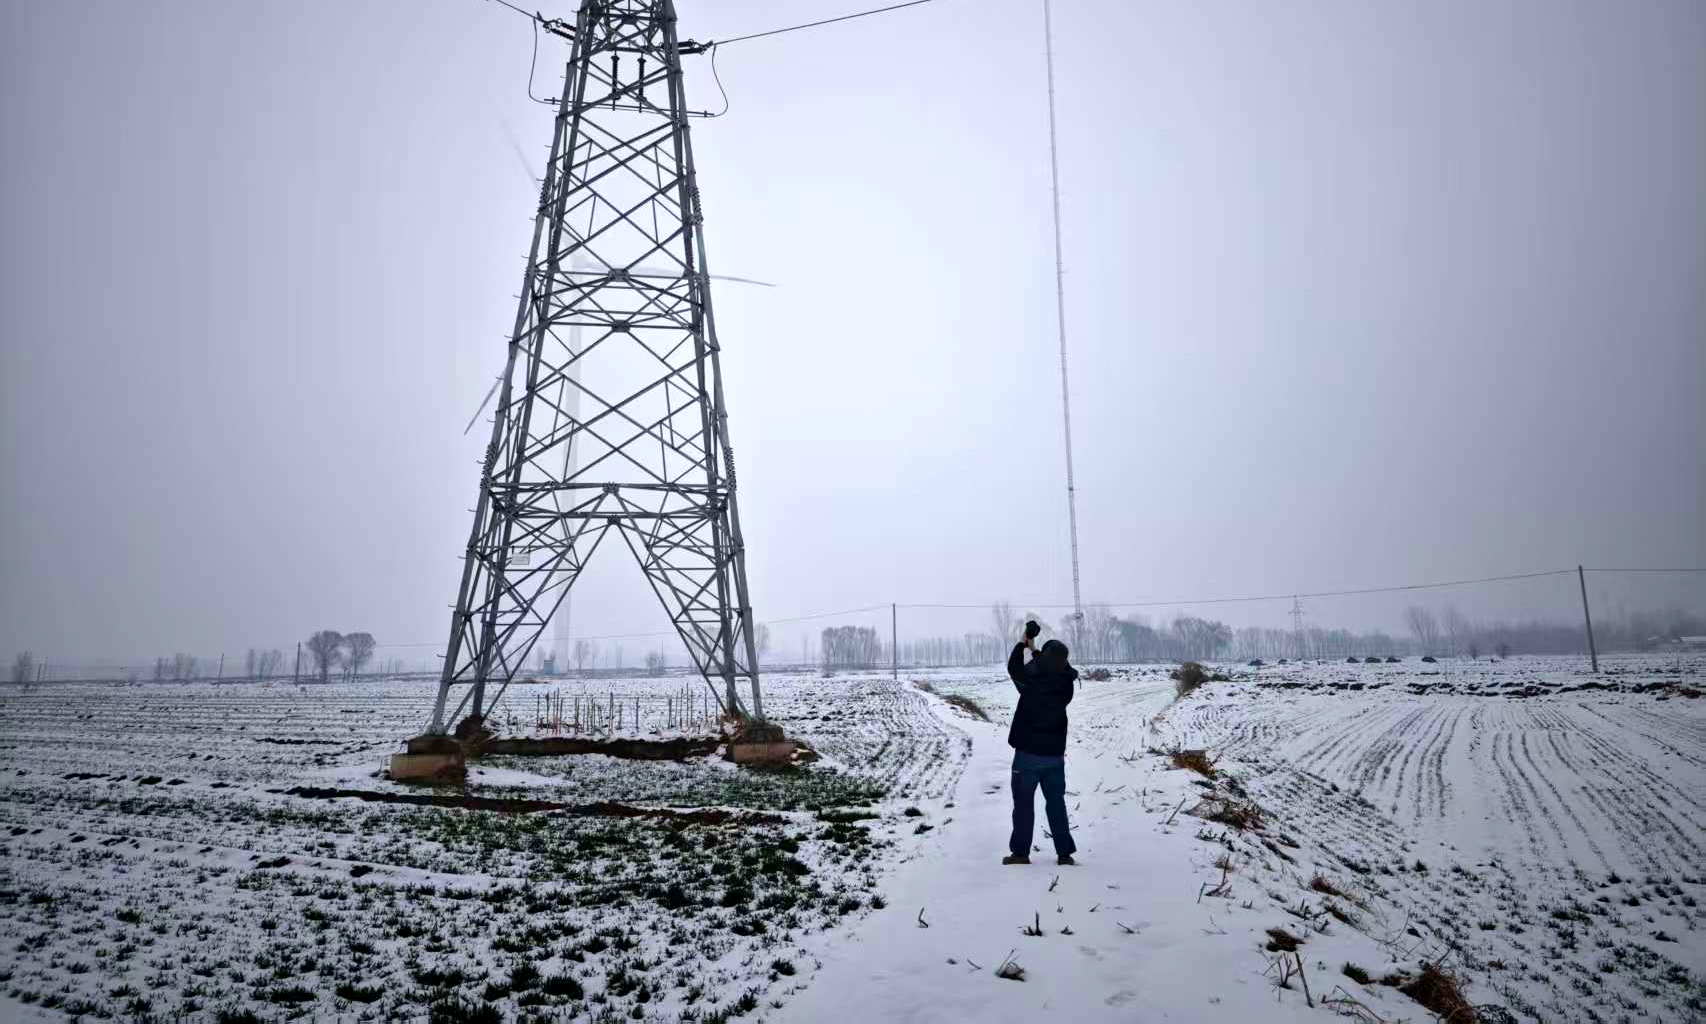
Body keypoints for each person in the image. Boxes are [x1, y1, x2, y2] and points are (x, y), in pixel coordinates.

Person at [1003, 621, 1078, 866]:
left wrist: (1024, 640)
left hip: (1027, 756)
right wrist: (1034, 650)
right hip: (1055, 757)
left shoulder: (1031, 683)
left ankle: (1021, 854)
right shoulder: (1066, 685)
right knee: (1056, 804)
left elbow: (1015, 668)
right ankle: (1064, 853)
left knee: (1023, 805)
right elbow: (1051, 667)